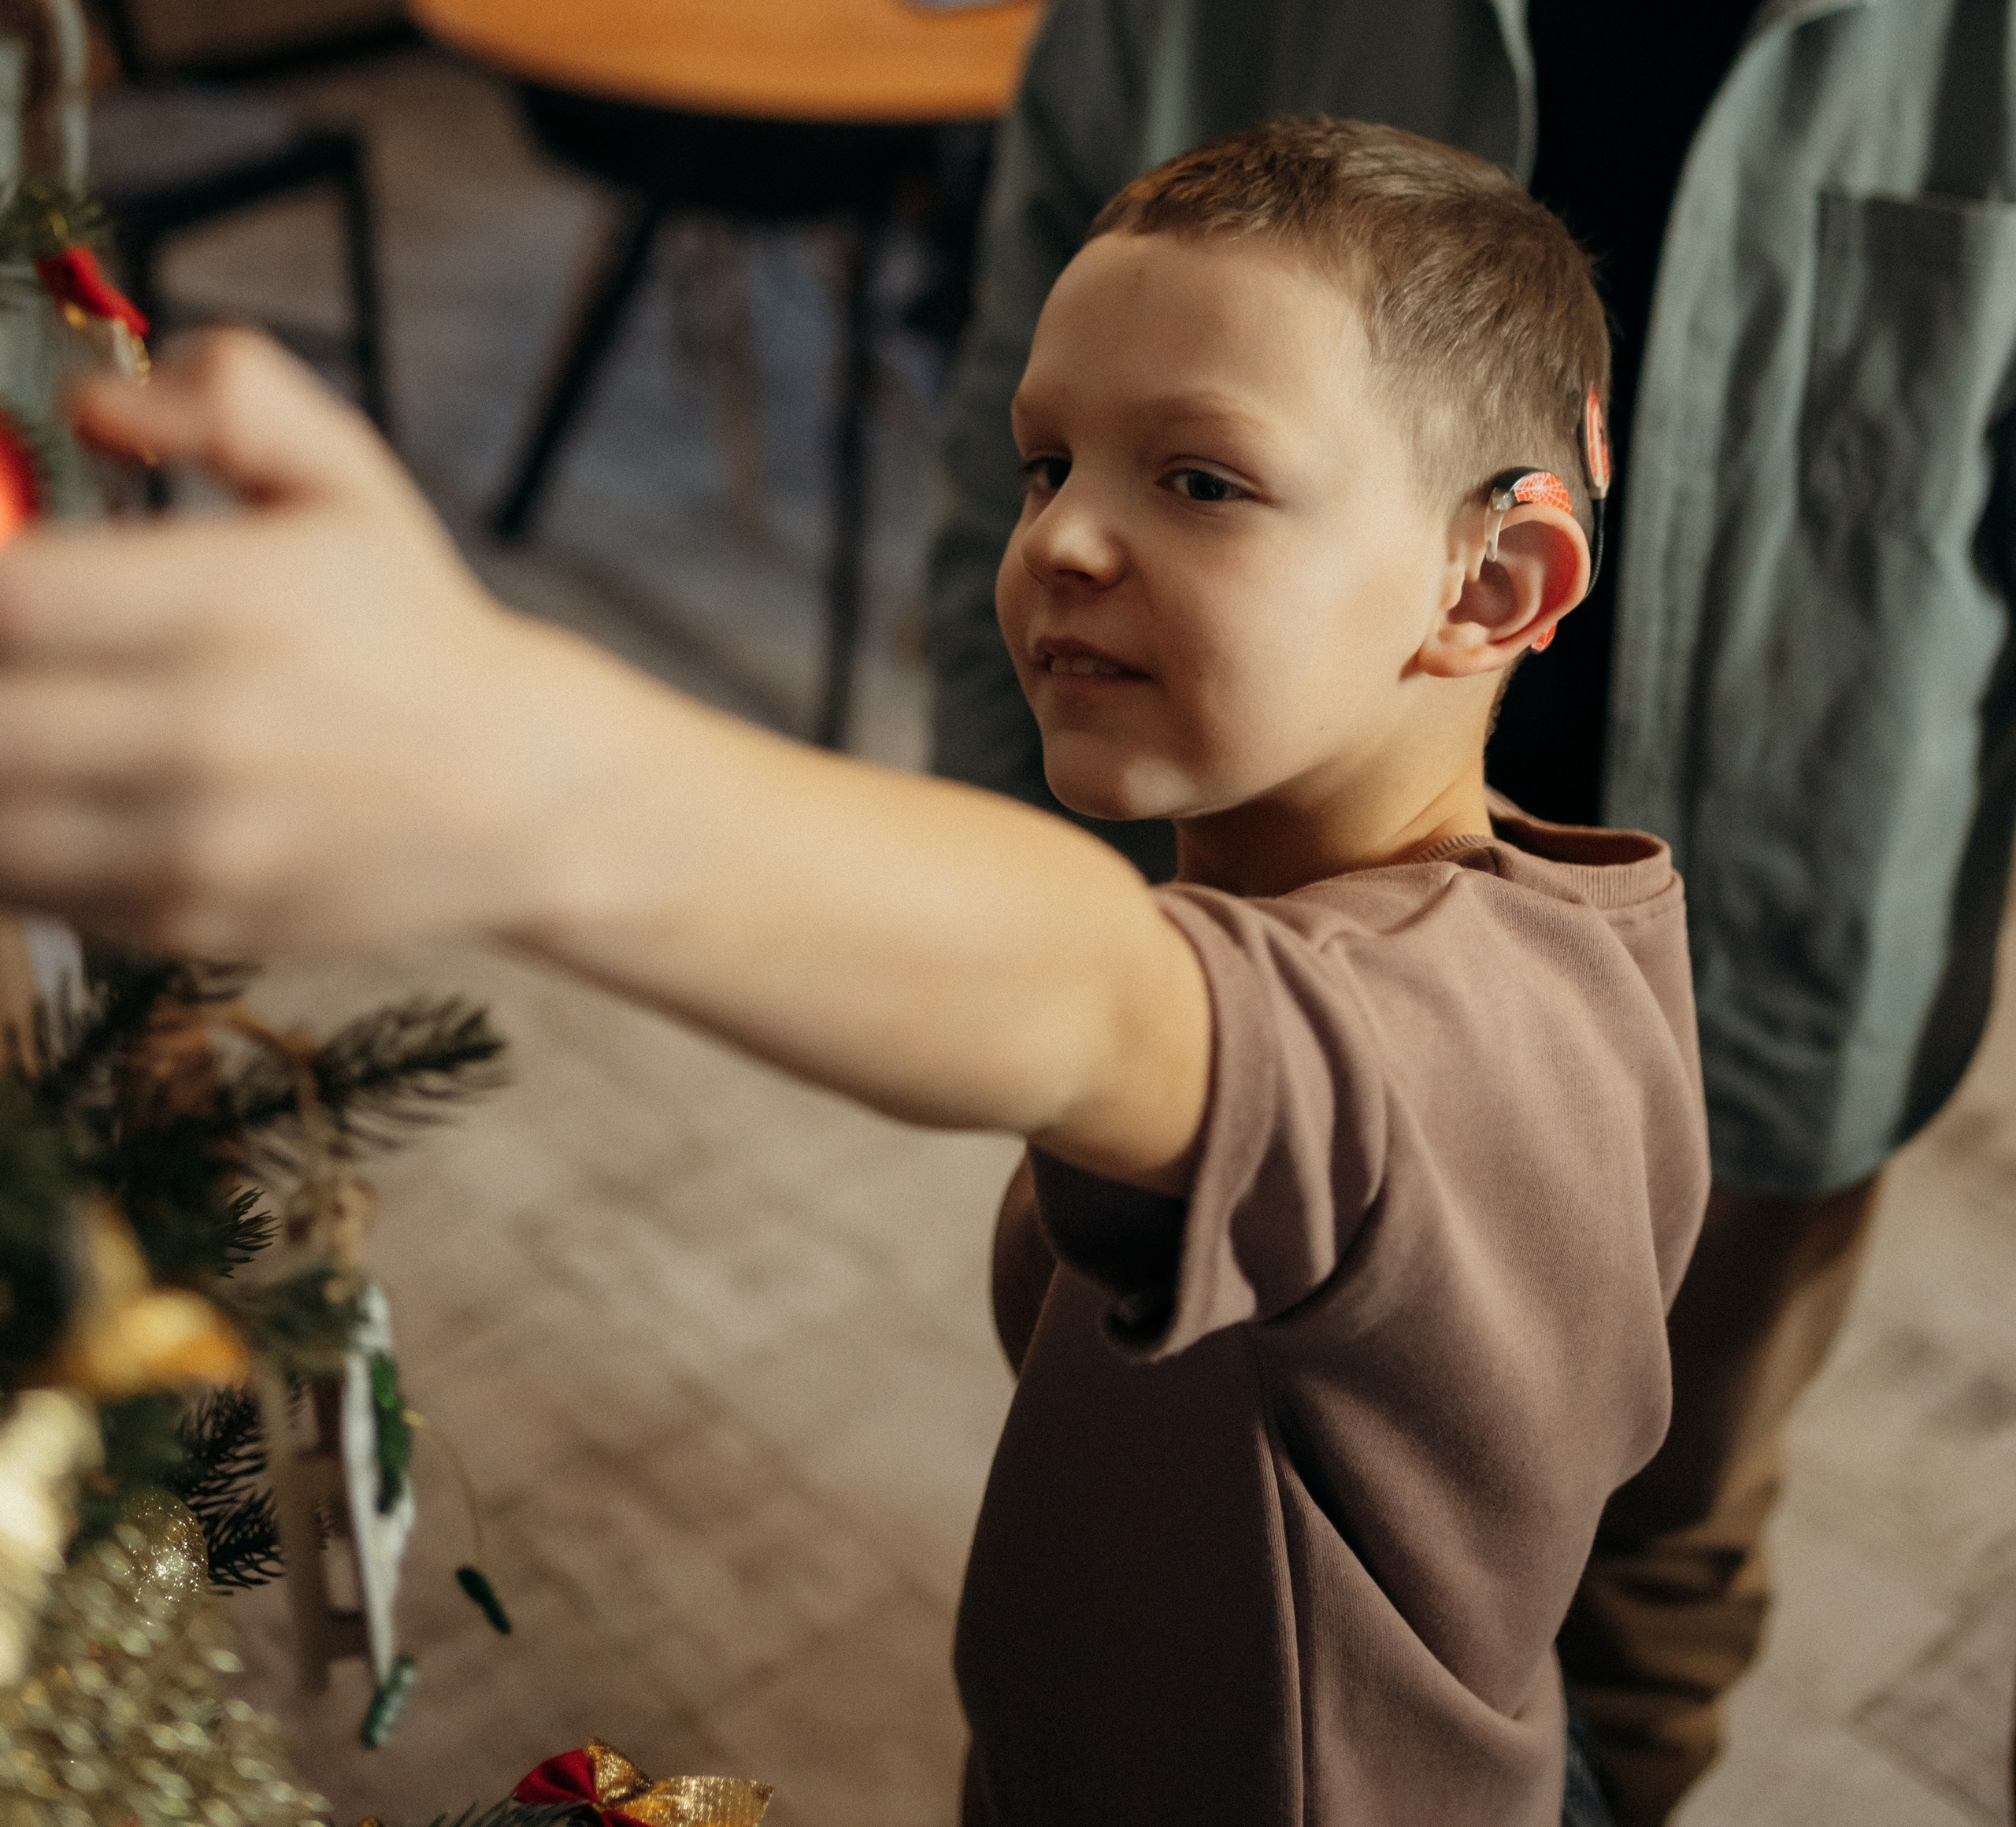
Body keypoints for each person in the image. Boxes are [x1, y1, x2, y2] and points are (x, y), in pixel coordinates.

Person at [928, 0, 2016, 1823]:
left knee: (1642, 1572)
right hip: (1265, 920)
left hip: (1770, 945)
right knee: (1168, 1462)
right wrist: (1029, 867)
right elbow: (1019, 346)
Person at [0, 113, 1704, 1827]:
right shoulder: (1297, 917)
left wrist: (513, 766)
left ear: (1488, 586)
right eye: (1048, 465)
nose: (1061, 543)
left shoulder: (1480, 1033)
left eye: (1197, 478)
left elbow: (1093, 992)